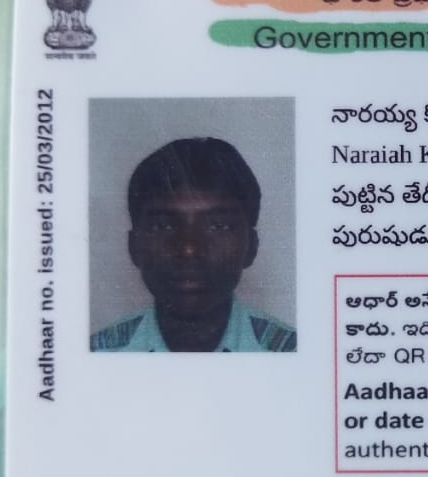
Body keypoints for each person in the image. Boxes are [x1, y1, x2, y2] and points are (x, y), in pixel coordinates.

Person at [91, 137, 296, 352]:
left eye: (218, 226)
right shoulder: (97, 355)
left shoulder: (292, 354)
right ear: (133, 246)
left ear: (251, 247)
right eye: (163, 226)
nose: (189, 249)